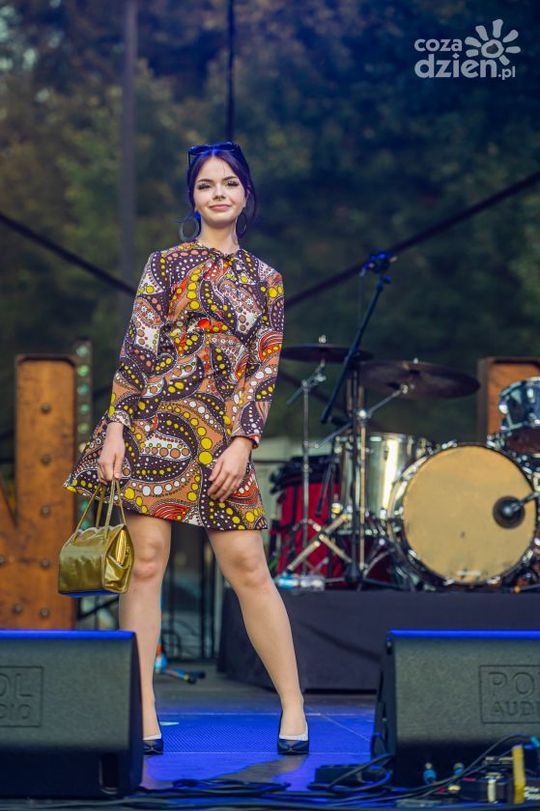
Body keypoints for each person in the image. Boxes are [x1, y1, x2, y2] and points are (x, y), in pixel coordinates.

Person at [63, 141, 308, 756]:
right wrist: (116, 427)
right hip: (157, 429)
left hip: (225, 439)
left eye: (229, 183)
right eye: (205, 185)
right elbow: (137, 349)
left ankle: (294, 707)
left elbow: (263, 370)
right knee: (146, 564)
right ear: (193, 197)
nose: (218, 193)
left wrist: (244, 441)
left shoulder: (267, 280)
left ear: (246, 194)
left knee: (248, 568)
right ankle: (143, 709)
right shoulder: (165, 265)